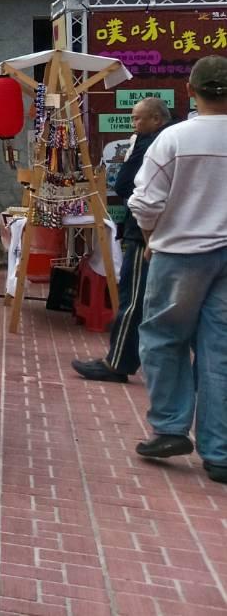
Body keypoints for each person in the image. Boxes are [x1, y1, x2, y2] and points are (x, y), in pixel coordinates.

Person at [128, 56, 227, 482]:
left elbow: (143, 203)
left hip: (180, 253)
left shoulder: (174, 139)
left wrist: (151, 240)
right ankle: (219, 450)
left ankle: (170, 426)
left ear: (191, 90)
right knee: (219, 350)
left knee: (164, 338)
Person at [73, 96, 172, 384]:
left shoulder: (153, 142)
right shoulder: (168, 138)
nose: (135, 124)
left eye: (139, 118)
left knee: (134, 300)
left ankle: (118, 362)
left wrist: (147, 233)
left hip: (148, 233)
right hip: (174, 235)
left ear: (156, 119)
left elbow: (128, 185)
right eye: (133, 118)